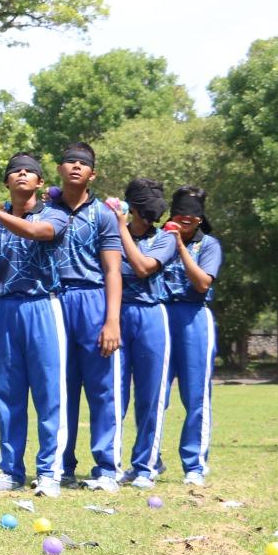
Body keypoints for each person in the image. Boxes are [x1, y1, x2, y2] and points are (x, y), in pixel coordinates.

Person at [0, 153, 70, 498]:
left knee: (48, 393)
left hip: (43, 305)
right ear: (7, 182)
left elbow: (41, 232)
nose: (22, 174)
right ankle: (10, 471)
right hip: (4, 307)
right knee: (7, 394)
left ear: (40, 183)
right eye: (15, 171)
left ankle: (50, 472)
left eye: (30, 172)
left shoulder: (54, 212)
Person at [50, 143, 124, 492]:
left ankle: (107, 468)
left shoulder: (103, 215)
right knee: (60, 388)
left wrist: (112, 321)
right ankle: (61, 466)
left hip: (92, 299)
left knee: (101, 388)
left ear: (92, 174)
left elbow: (113, 271)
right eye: (70, 162)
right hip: (53, 301)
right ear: (60, 169)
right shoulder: (45, 210)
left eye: (83, 164)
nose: (76, 167)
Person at [112, 179, 179, 488]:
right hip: (117, 315)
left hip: (152, 315)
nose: (150, 216)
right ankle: (113, 464)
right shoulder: (112, 231)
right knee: (114, 394)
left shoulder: (165, 238)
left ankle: (146, 465)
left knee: (150, 397)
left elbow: (141, 267)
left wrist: (121, 227)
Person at [161, 185, 222, 486]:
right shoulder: (156, 239)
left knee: (196, 396)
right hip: (159, 316)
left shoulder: (209, 245)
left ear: (200, 218)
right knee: (154, 396)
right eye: (180, 212)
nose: (185, 218)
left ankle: (194, 465)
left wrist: (180, 246)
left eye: (192, 213)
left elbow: (202, 284)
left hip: (194, 317)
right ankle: (148, 462)